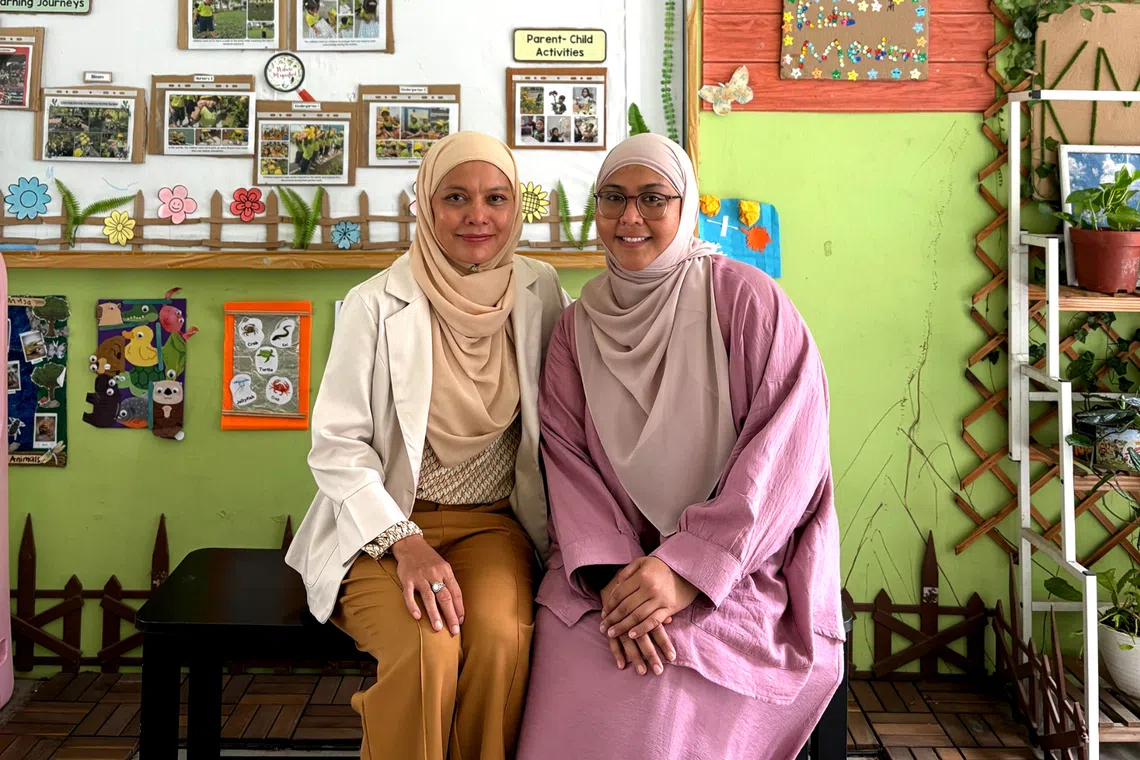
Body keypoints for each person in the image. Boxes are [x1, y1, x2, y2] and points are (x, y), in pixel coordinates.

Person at [516, 133, 845, 760]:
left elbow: (785, 457)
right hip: (608, 569)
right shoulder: (577, 327)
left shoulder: (747, 301)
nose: (629, 217)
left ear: (685, 205)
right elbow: (567, 462)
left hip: (742, 563)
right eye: (612, 198)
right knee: (582, 658)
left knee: (662, 680)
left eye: (652, 199)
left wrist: (687, 570)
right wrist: (619, 577)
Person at [285, 131, 570, 760]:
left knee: (500, 639)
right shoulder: (373, 303)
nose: (478, 215)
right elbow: (337, 445)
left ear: (515, 206)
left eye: (496, 197)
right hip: (382, 531)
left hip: (495, 529)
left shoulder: (539, 289)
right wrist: (404, 542)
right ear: (425, 203)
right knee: (426, 649)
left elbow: (576, 402)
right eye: (456, 197)